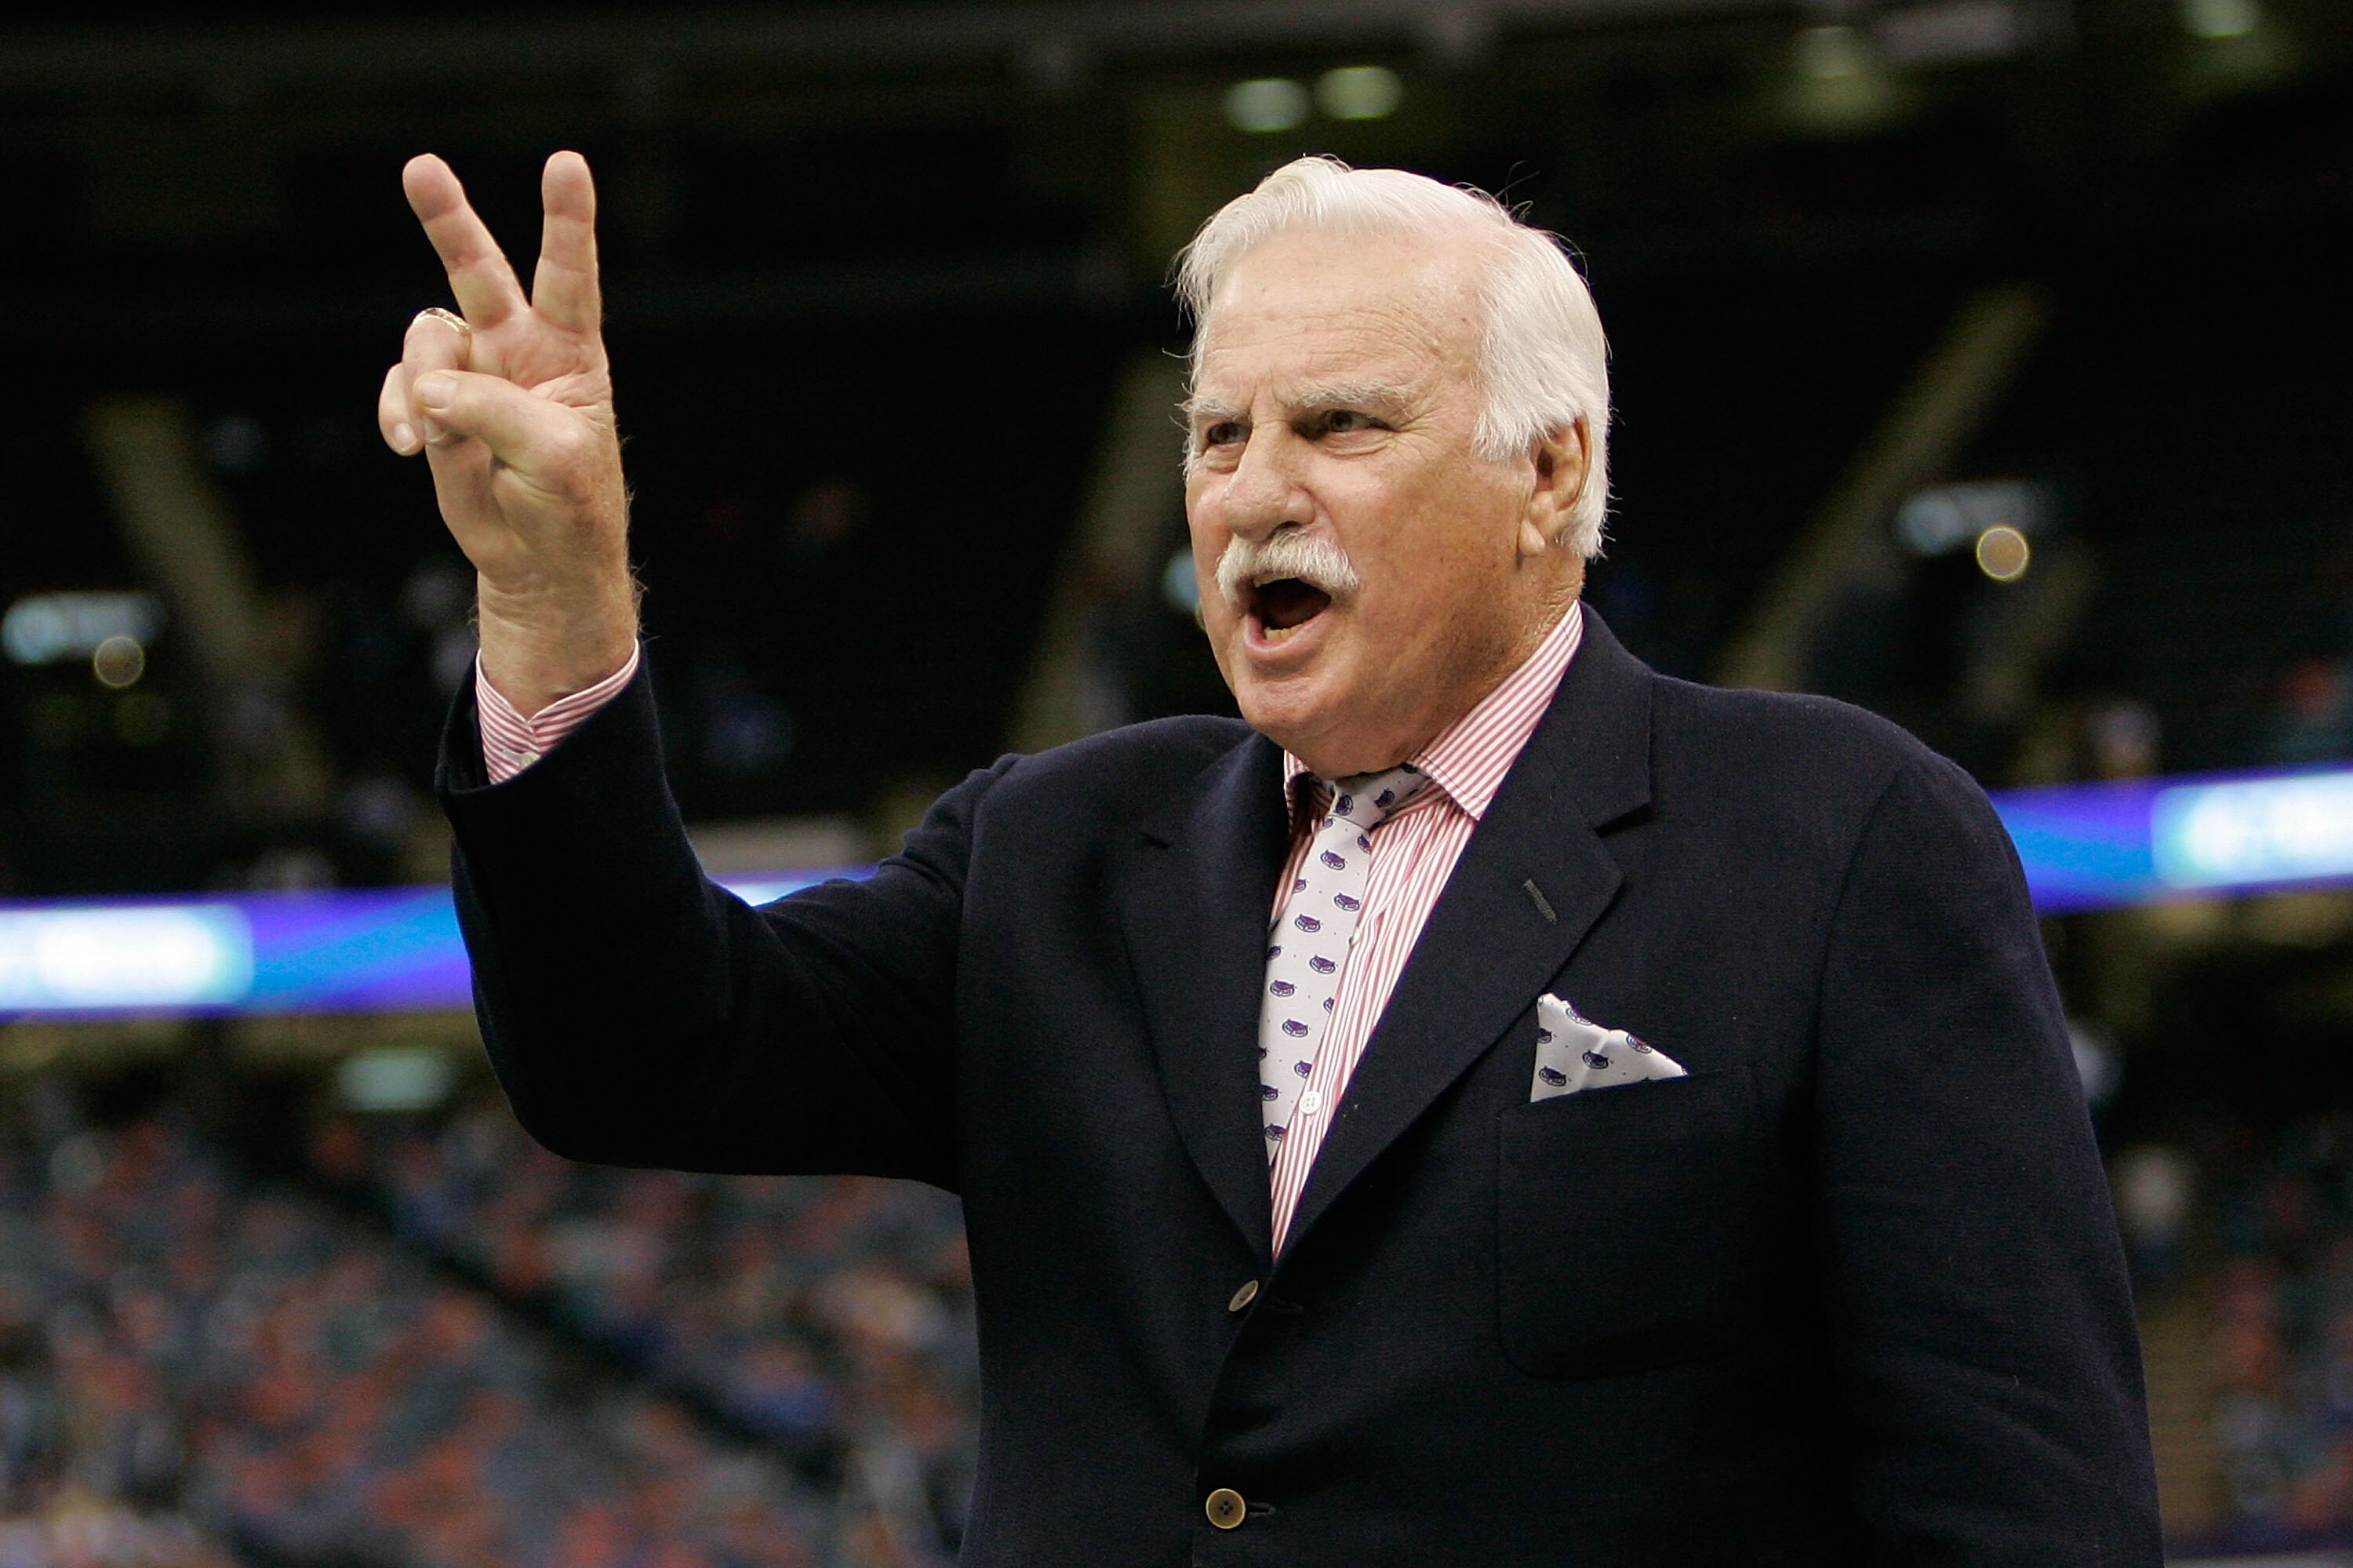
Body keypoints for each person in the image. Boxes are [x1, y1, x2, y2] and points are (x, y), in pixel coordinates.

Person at [380, 149, 2162, 1565]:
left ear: (1550, 473)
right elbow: (638, 1049)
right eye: (1219, 434)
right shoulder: (1053, 853)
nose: (1251, 491)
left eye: (1341, 425)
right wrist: (554, 597)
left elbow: (2024, 1505)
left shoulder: (1838, 836)